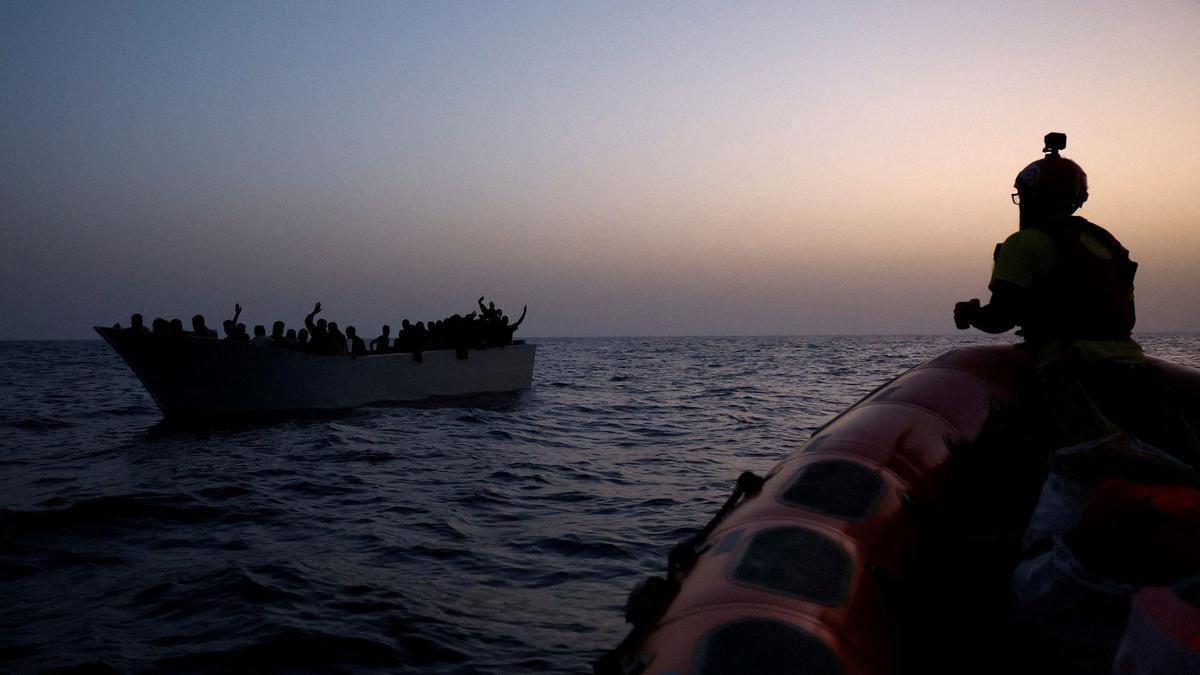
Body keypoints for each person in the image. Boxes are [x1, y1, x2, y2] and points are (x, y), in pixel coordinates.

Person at [955, 133, 1198, 460]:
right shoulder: (1107, 243)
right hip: (1139, 377)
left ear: (1029, 197)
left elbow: (1001, 319)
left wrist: (971, 315)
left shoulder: (1023, 244)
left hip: (1073, 378)